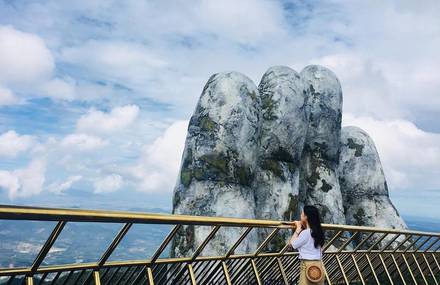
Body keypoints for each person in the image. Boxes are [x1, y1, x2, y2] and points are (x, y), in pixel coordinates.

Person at [289, 205, 325, 285]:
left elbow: (291, 244)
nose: (300, 215)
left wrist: (298, 229)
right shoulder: (319, 232)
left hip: (307, 267)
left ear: (306, 217)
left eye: (302, 214)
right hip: (318, 267)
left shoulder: (305, 233)